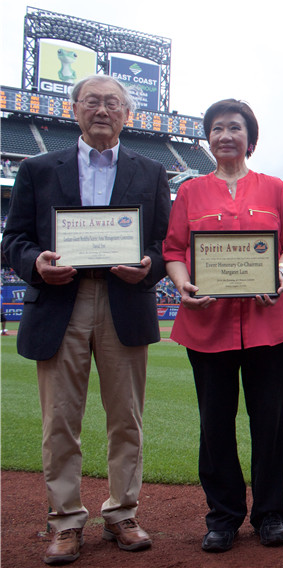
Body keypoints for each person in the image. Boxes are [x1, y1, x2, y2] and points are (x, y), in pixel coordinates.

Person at [1, 75, 170, 565]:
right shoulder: (37, 168)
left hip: (124, 300)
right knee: (59, 421)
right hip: (60, 302)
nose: (102, 109)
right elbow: (14, 241)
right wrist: (35, 264)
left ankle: (122, 513)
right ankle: (65, 521)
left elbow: (163, 246)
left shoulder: (151, 171)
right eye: (92, 101)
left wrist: (149, 267)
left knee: (127, 420)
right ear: (73, 109)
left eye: (112, 103)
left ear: (126, 114)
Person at [162, 99, 283, 553]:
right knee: (215, 424)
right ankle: (222, 516)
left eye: (235, 128)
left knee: (270, 424)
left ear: (250, 138)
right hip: (208, 324)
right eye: (218, 128)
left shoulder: (275, 188)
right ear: (208, 138)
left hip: (267, 322)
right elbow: (174, 249)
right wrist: (183, 284)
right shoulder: (190, 192)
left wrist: (280, 274)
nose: (226, 135)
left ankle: (270, 515)